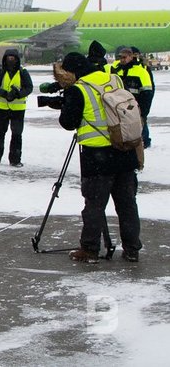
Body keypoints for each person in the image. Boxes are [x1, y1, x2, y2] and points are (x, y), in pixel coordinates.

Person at [57, 52, 142, 263]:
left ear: (72, 71)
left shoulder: (79, 89)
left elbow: (68, 122)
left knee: (94, 206)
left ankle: (90, 249)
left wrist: (66, 101)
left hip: (98, 158)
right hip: (124, 150)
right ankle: (132, 249)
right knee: (127, 204)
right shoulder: (113, 78)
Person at [0, 48, 33, 167]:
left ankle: (15, 160)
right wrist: (4, 94)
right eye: (9, 58)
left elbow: (29, 88)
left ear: (17, 59)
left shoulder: (23, 72)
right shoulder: (0, 72)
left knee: (17, 135)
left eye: (13, 58)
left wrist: (18, 94)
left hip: (18, 109)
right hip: (2, 108)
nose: (11, 60)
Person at [114, 47, 154, 149]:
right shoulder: (116, 71)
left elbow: (147, 93)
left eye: (124, 57)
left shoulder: (141, 72)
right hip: (119, 108)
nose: (122, 59)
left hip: (136, 107)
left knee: (139, 130)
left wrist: (143, 112)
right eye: (120, 57)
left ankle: (144, 143)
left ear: (131, 57)